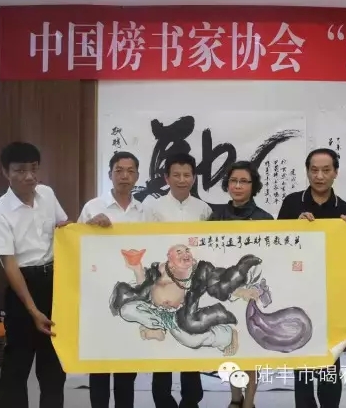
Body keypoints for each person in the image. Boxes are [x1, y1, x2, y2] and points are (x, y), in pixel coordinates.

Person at [0, 142, 70, 408]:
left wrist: (89, 226)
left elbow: (64, 229)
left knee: (53, 364)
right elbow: (9, 265)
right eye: (20, 170)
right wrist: (33, 311)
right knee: (17, 365)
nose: (29, 176)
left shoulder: (47, 194)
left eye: (34, 169)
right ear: (5, 172)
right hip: (22, 286)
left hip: (53, 283)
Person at [277, 148, 346, 408]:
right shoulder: (291, 203)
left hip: (332, 298)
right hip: (299, 295)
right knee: (303, 359)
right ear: (307, 172)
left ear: (336, 173)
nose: (320, 176)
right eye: (314, 170)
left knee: (331, 359)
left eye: (326, 170)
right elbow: (277, 246)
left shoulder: (345, 210)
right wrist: (294, 227)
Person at [142, 153, 212, 408]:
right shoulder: (153, 208)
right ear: (166, 178)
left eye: (187, 175)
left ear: (194, 178)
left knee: (189, 338)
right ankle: (163, 400)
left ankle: (191, 400)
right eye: (176, 175)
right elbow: (146, 243)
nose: (182, 180)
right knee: (162, 344)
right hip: (163, 284)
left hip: (193, 285)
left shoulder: (203, 209)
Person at [78, 151, 143, 408]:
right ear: (110, 175)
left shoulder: (144, 212)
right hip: (100, 292)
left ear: (137, 176)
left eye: (130, 171)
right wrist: (90, 227)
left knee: (127, 364)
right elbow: (77, 245)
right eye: (119, 170)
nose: (124, 175)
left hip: (133, 294)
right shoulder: (93, 207)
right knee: (100, 363)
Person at [209, 160, 273, 408]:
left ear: (253, 186)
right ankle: (235, 398)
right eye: (233, 181)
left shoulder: (264, 218)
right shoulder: (216, 217)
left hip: (252, 291)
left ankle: (250, 401)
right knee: (231, 345)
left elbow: (271, 258)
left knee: (252, 349)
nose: (238, 186)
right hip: (226, 292)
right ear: (227, 185)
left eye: (244, 181)